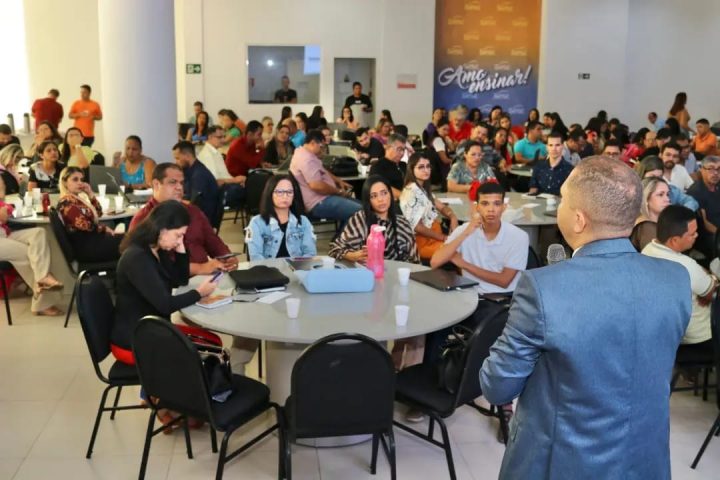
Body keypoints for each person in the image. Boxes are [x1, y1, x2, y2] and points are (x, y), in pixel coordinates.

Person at [480, 156, 691, 479]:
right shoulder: (675, 279)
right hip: (645, 459)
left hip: (561, 463)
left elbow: (497, 386)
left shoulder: (543, 288)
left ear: (578, 220)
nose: (559, 206)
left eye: (563, 200)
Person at [112, 200, 220, 366]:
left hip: (152, 327)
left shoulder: (155, 249)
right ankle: (171, 383)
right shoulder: (137, 258)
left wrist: (180, 248)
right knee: (211, 349)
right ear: (162, 229)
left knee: (214, 342)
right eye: (178, 235)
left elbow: (180, 279)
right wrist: (199, 293)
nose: (179, 240)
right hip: (135, 338)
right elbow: (165, 305)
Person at [129, 163, 236, 275]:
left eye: (181, 183)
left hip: (206, 276)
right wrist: (200, 268)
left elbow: (213, 241)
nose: (179, 187)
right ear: (156, 184)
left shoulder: (193, 211)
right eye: (172, 182)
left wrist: (227, 257)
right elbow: (150, 265)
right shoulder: (143, 219)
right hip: (170, 281)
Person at [642, 205, 716, 360]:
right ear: (674, 240)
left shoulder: (647, 251)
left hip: (667, 338)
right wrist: (712, 279)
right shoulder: (686, 266)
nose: (696, 235)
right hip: (699, 338)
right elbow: (711, 293)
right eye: (692, 234)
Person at [0, 176, 64, 316]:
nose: (3, 184)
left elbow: (7, 208)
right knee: (31, 254)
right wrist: (4, 210)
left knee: (38, 233)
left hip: (5, 234)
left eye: (2, 182)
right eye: (1, 182)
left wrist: (5, 208)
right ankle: (42, 303)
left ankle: (43, 278)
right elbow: (3, 214)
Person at [289, 129, 361, 228]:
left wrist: (338, 180)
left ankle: (342, 236)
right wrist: (338, 192)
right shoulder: (307, 160)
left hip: (322, 198)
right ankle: (343, 237)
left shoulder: (302, 152)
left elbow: (322, 169)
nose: (323, 150)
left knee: (361, 207)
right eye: (321, 147)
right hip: (318, 202)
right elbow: (316, 186)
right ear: (313, 143)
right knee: (360, 212)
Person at [57, 166, 123, 262]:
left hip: (93, 240)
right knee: (129, 242)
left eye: (81, 180)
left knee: (129, 239)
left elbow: (99, 212)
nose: (80, 182)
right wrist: (104, 228)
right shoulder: (66, 202)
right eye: (75, 179)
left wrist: (90, 193)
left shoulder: (77, 199)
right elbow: (84, 224)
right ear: (64, 182)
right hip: (87, 247)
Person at [400, 152, 458, 260]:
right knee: (458, 250)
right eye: (421, 167)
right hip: (423, 243)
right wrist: (444, 237)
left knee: (464, 242)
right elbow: (418, 227)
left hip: (434, 236)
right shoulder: (411, 192)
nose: (426, 170)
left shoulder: (422, 188)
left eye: (428, 166)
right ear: (411, 169)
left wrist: (452, 216)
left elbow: (441, 207)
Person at [246, 174, 316, 261]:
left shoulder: (303, 221)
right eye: (279, 192)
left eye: (289, 192)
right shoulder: (257, 223)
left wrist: (297, 266)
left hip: (298, 267)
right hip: (267, 268)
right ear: (270, 193)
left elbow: (310, 253)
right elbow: (256, 257)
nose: (285, 196)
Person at [197, 126, 245, 208]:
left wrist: (238, 181)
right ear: (210, 137)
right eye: (219, 137)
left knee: (251, 186)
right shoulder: (207, 155)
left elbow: (225, 176)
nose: (223, 140)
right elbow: (215, 182)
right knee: (251, 190)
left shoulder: (216, 152)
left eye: (224, 137)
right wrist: (235, 180)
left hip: (226, 187)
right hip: (217, 193)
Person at [172, 141, 218, 222]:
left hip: (202, 219)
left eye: (177, 158)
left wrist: (172, 200)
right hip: (196, 214)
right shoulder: (189, 170)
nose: (176, 162)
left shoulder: (199, 175)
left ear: (188, 156)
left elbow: (194, 204)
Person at [687, 156, 720, 259]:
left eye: (718, 169)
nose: (716, 173)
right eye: (710, 169)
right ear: (702, 170)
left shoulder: (718, 186)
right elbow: (706, 225)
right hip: (709, 236)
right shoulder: (696, 191)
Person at [630, 177, 671, 251]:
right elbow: (659, 256)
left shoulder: (663, 222)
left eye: (668, 194)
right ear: (646, 198)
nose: (667, 199)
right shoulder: (645, 227)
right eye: (660, 195)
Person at [369, 133, 407, 199]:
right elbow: (381, 188)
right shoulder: (378, 166)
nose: (402, 153)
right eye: (399, 149)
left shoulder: (403, 165)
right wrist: (405, 197)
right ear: (388, 147)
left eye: (403, 150)